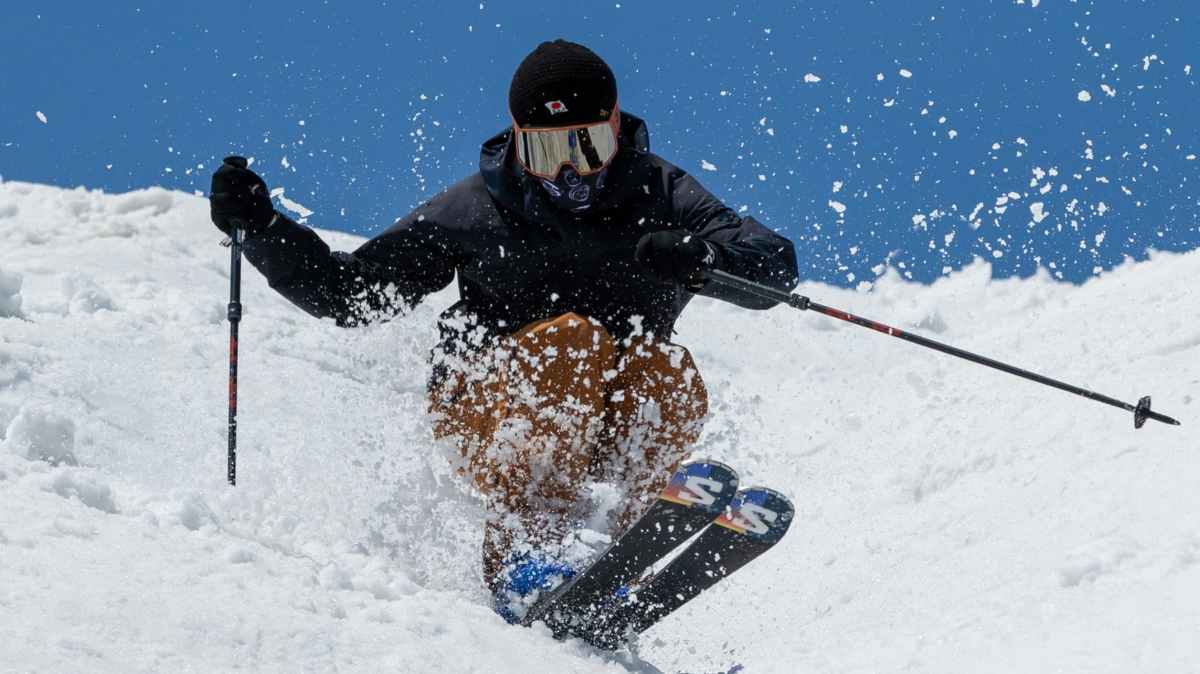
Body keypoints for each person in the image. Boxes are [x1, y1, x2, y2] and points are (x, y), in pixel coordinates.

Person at [208, 39, 798, 621]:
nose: (567, 171)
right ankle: (528, 551)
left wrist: (706, 260)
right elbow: (352, 295)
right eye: (545, 153)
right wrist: (262, 227)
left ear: (616, 128)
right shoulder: (477, 208)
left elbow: (770, 267)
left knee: (663, 368)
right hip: (486, 405)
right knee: (572, 339)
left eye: (586, 145)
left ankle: (616, 558)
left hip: (597, 421)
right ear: (516, 138)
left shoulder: (661, 192)